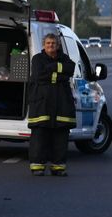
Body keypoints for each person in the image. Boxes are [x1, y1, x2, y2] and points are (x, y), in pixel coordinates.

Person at [27, 32, 76, 176]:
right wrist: (59, 73)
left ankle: (58, 167)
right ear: (44, 45)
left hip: (62, 104)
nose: (51, 46)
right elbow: (39, 76)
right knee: (39, 136)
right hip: (42, 103)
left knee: (60, 137)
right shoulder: (37, 59)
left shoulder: (65, 58)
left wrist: (52, 69)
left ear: (58, 45)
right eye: (48, 43)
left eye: (53, 43)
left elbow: (71, 69)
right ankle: (37, 167)